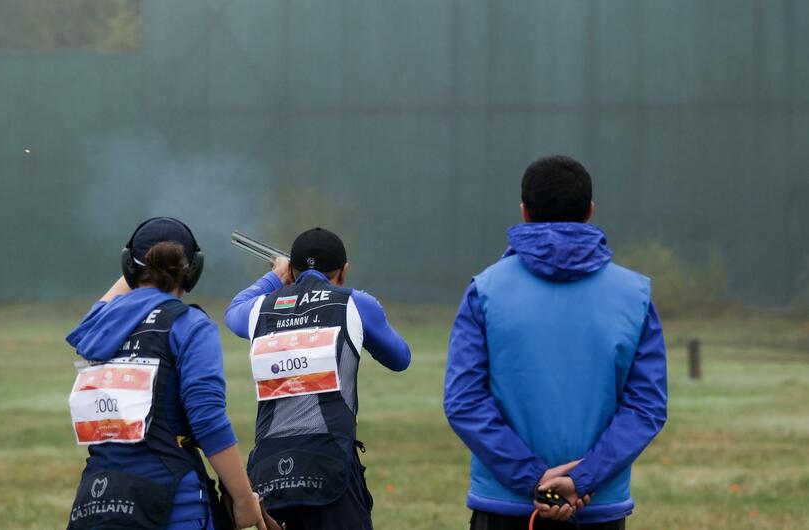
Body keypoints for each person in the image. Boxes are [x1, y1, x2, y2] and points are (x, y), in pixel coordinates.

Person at [443, 156, 668, 530]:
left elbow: (463, 401)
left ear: (524, 212)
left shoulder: (485, 290)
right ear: (590, 211)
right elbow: (646, 407)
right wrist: (582, 479)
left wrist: (534, 480)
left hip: (505, 505)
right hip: (598, 506)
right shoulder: (636, 295)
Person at [65, 217, 266, 530]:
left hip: (98, 499)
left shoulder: (101, 324)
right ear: (192, 270)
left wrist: (139, 264)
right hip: (173, 504)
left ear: (128, 267)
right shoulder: (190, 325)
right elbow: (207, 419)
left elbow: (110, 302)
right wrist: (242, 499)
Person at [225, 227, 411, 530]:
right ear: (344, 271)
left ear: (292, 272)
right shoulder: (354, 304)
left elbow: (233, 311)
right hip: (333, 467)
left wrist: (275, 277)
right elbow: (400, 358)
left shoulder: (263, 307)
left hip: (271, 469)